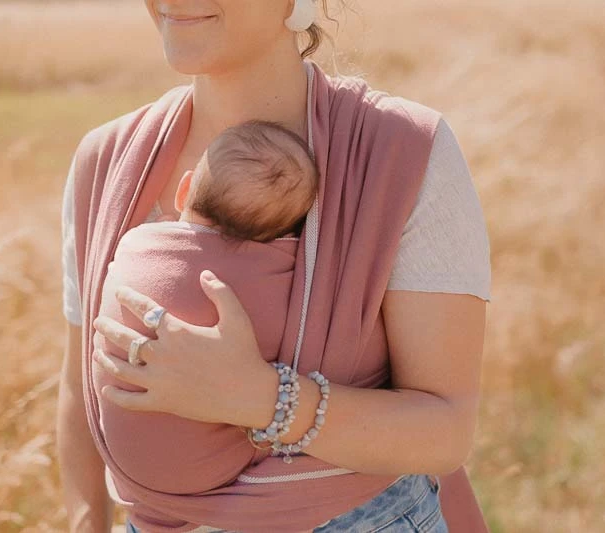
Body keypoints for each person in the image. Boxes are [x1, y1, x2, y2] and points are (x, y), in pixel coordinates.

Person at [57, 1, 492, 532]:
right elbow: (81, 390)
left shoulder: (401, 152)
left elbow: (445, 431)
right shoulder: (108, 160)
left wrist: (263, 398)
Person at [92, 119, 318, 496]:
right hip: (217, 471)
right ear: (287, 234)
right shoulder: (283, 270)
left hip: (127, 468)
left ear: (183, 191)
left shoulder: (135, 244)